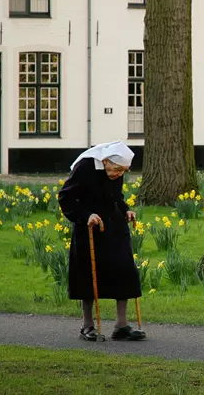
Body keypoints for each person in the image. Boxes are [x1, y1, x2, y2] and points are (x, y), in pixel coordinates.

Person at [58, 140, 146, 341]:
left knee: (124, 270)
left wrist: (125, 210)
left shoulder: (115, 170)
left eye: (123, 171)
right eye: (116, 170)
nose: (118, 175)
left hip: (114, 225)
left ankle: (121, 326)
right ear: (105, 161)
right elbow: (65, 198)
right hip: (89, 226)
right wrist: (85, 215)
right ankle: (87, 326)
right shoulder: (85, 167)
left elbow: (115, 196)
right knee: (88, 274)